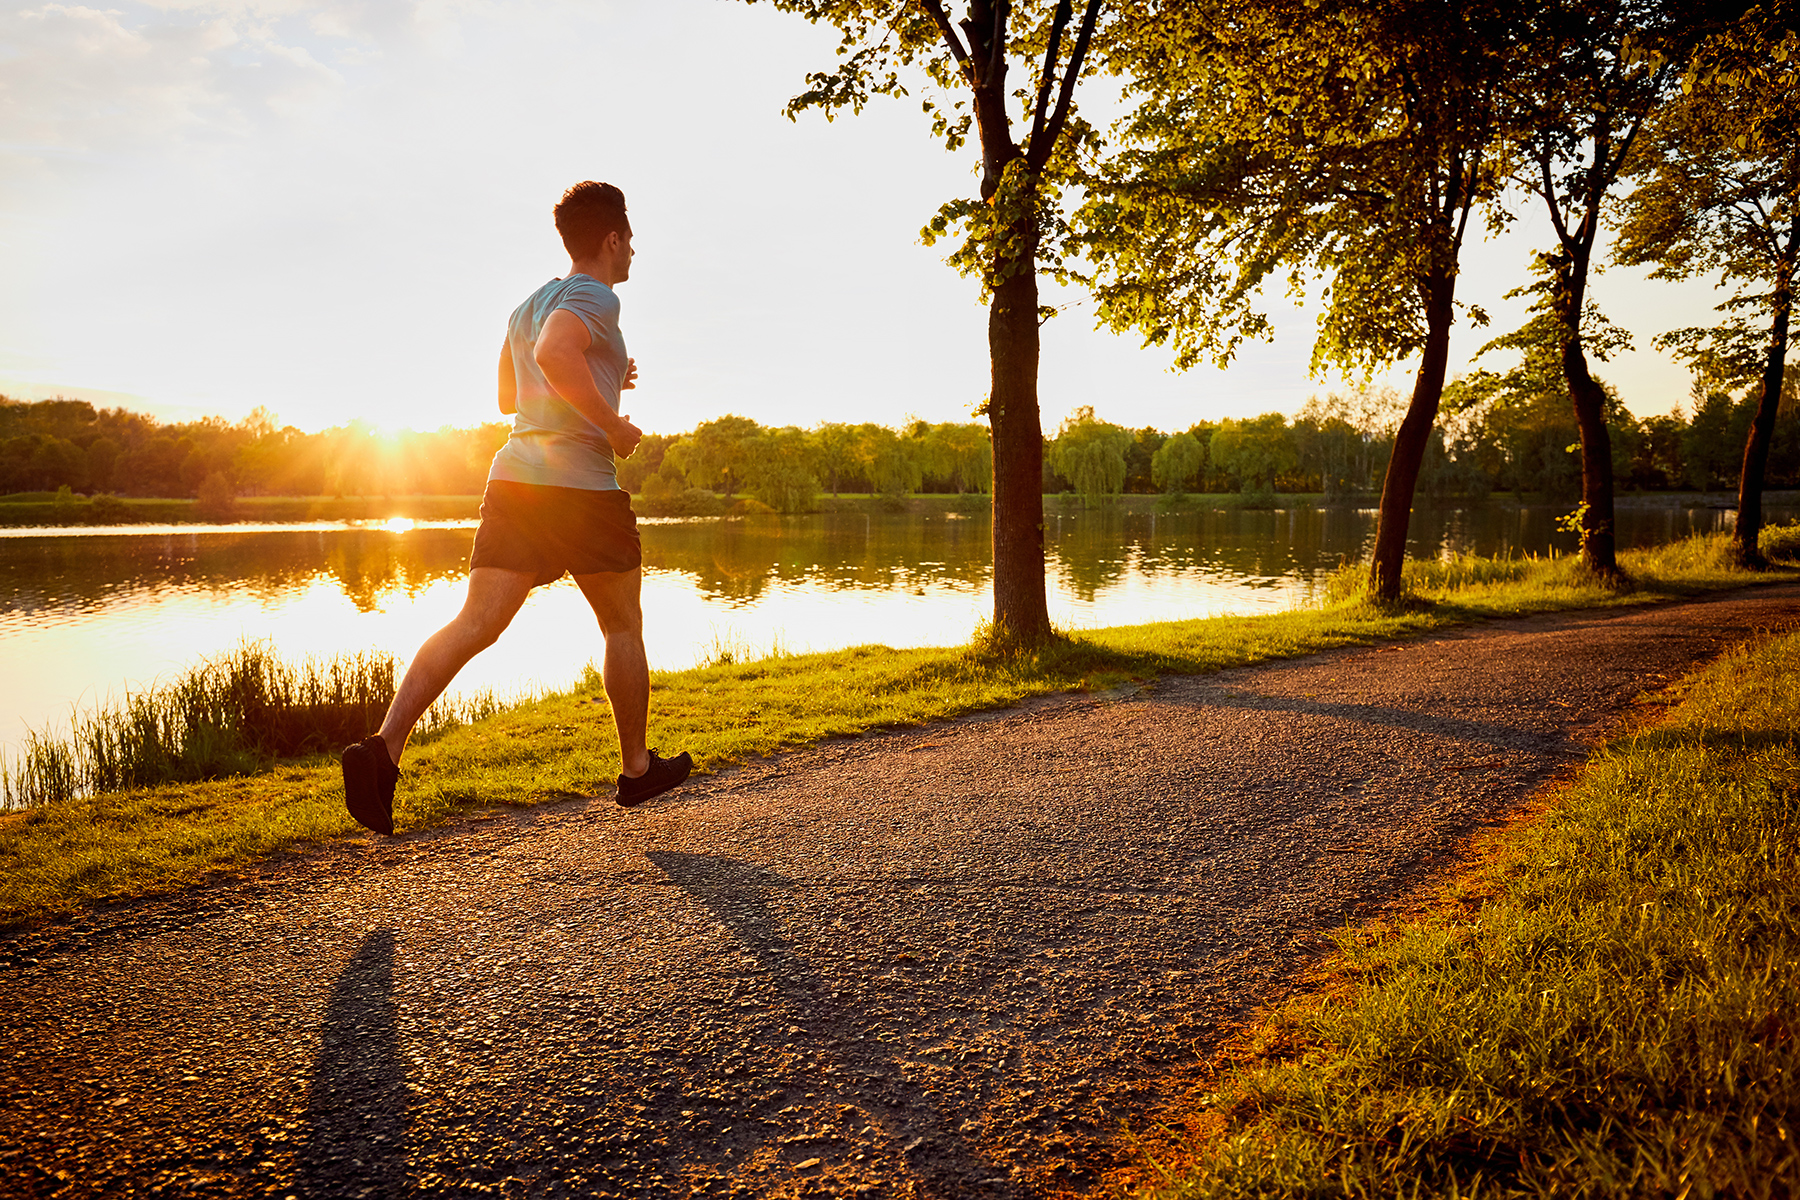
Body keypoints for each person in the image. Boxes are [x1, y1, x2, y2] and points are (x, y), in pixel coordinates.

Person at [341, 181, 692, 835]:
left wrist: (607, 371)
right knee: (622, 625)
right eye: (631, 239)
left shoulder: (527, 305)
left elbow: (513, 394)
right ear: (611, 239)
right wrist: (613, 424)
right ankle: (638, 769)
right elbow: (556, 354)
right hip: (580, 488)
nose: (635, 250)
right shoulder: (596, 294)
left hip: (518, 483)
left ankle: (382, 748)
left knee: (476, 622)